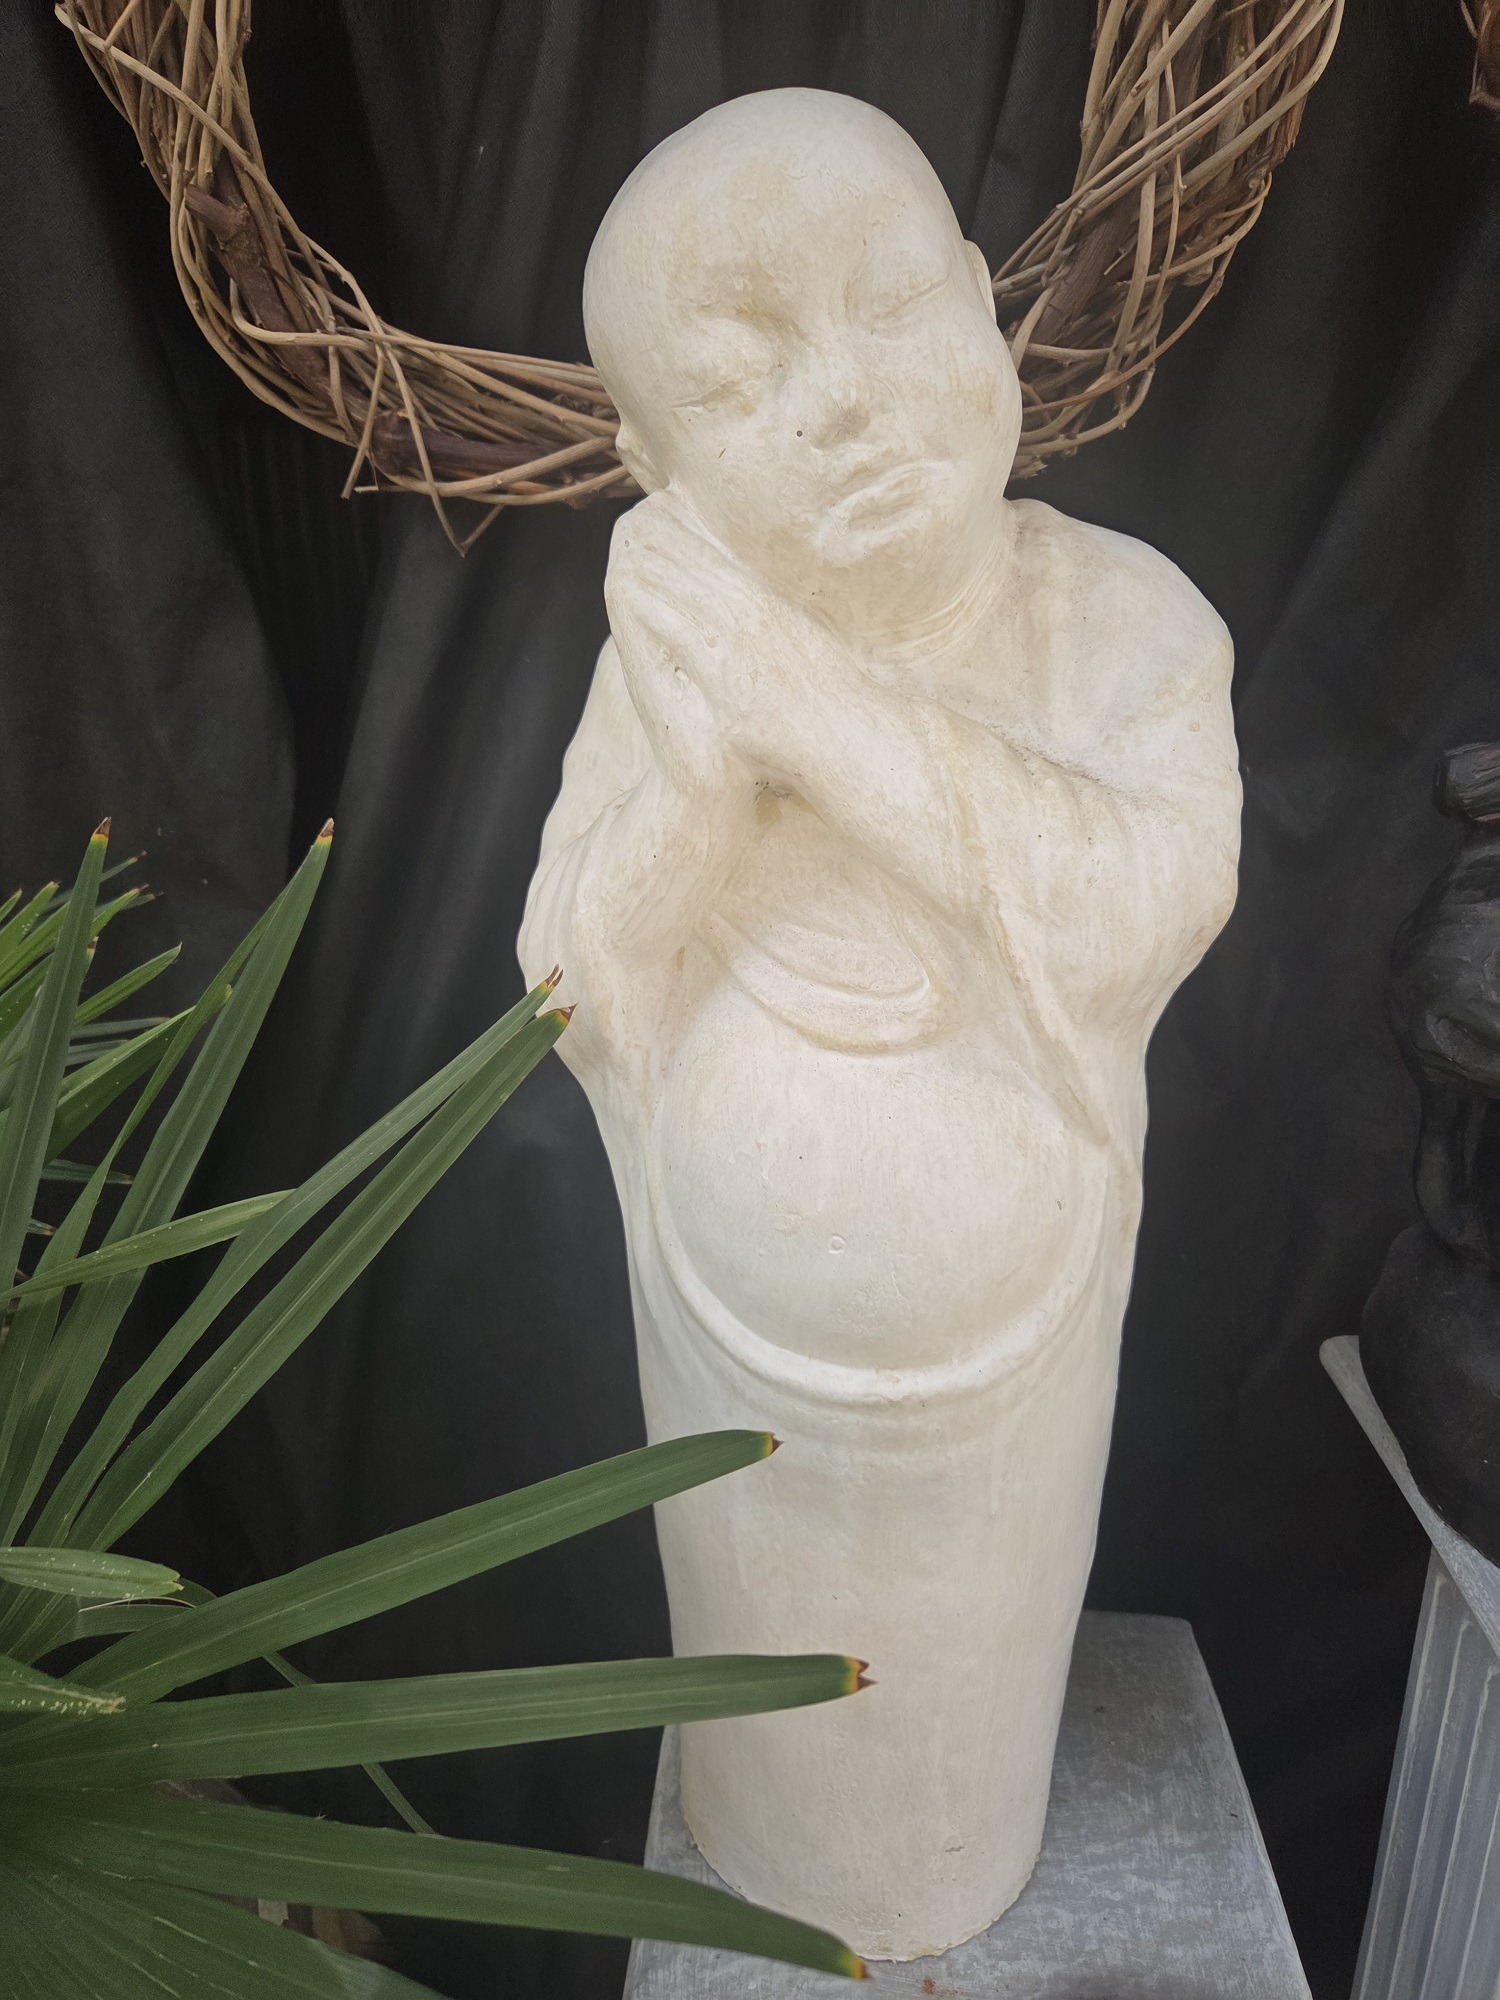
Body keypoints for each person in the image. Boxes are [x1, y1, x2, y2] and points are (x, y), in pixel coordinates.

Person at [519, 88, 1240, 1959]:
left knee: (954, 1761)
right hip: (733, 1385)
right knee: (771, 1757)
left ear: (986, 301)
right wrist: (701, 781)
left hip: (1017, 1376)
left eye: (899, 304)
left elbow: (1138, 907)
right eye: (740, 382)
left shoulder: (1124, 626)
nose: (844, 401)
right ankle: (767, 1835)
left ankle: (945, 1848)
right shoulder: (657, 678)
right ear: (653, 470)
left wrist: (812, 711)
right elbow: (566, 988)